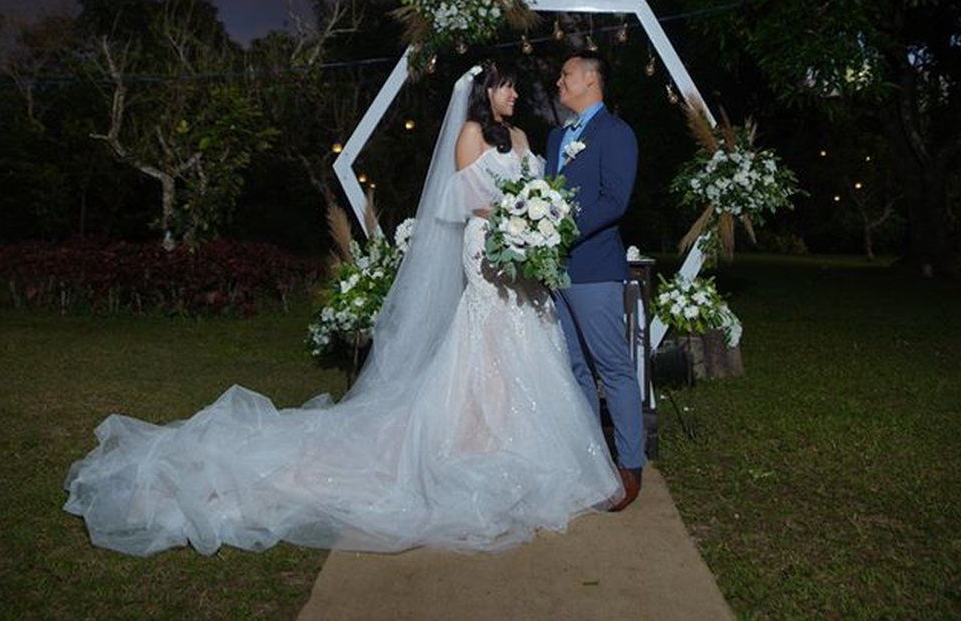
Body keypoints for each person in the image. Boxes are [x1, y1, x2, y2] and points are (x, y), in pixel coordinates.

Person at [64, 61, 623, 557]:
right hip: (487, 247)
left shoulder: (525, 135)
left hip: (523, 257)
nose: (516, 96)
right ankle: (470, 437)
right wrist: (515, 217)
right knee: (486, 340)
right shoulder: (470, 133)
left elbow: (539, 188)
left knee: (528, 342)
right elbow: (464, 199)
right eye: (507, 88)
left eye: (515, 90)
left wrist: (536, 218)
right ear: (486, 92)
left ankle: (519, 441)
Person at [546, 51, 643, 511]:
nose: (559, 82)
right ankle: (591, 463)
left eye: (566, 75)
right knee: (574, 370)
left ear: (590, 79)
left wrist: (558, 230)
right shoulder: (555, 137)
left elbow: (614, 200)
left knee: (613, 369)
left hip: (594, 269)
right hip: (555, 272)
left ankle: (629, 467)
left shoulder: (616, 134)